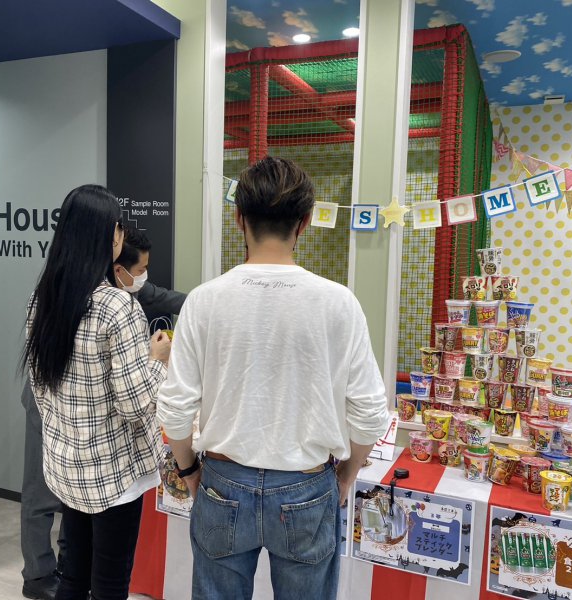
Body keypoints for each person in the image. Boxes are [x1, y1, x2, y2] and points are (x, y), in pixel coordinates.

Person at [157, 157, 390, 600]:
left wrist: (188, 470)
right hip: (308, 483)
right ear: (305, 222)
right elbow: (369, 411)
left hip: (222, 479)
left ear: (238, 217)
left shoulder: (204, 301)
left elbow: (176, 408)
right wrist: (346, 476)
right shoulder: (339, 303)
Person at [20, 225, 185, 600]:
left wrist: (68, 429)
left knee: (74, 574)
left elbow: (39, 384)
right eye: (115, 231)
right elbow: (135, 403)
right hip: (112, 473)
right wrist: (157, 361)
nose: (118, 238)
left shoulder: (44, 296)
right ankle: (36, 574)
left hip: (69, 461)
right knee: (109, 582)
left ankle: (41, 574)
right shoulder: (117, 306)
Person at [111, 226, 187, 322]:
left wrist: (200, 301)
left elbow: (165, 298)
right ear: (119, 270)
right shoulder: (98, 299)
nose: (145, 274)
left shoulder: (134, 287)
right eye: (141, 270)